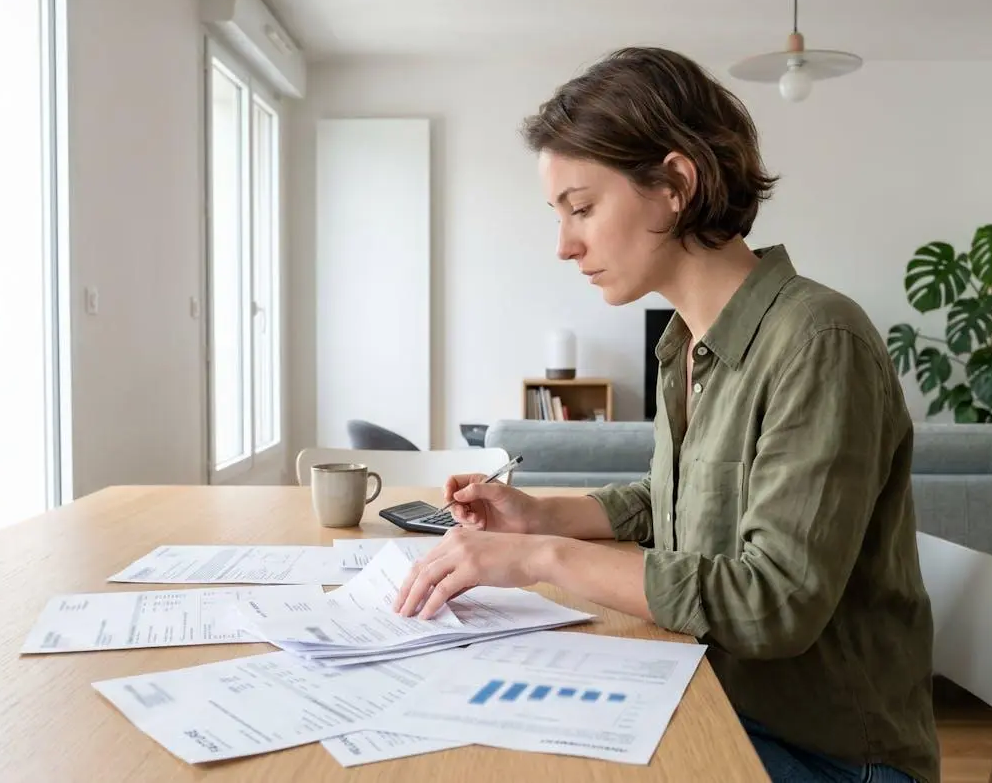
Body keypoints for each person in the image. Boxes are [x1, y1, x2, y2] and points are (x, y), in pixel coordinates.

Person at [393, 45, 939, 783]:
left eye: (581, 208)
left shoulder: (819, 341)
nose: (564, 245)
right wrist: (541, 517)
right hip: (716, 696)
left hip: (831, 755)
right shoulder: (688, 343)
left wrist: (539, 560)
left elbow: (774, 602)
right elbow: (677, 501)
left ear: (675, 183)